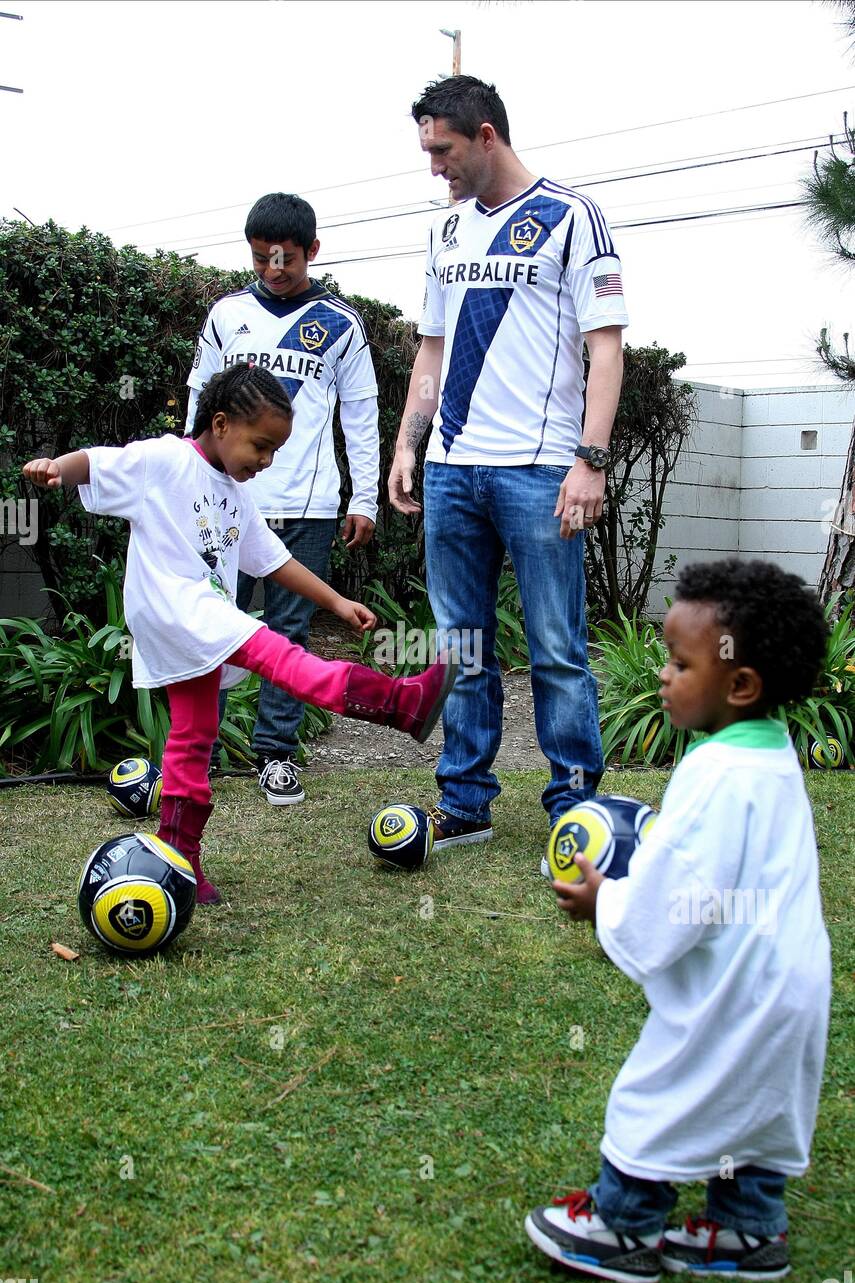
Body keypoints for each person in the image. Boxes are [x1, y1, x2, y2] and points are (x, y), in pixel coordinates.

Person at [23, 365, 457, 906]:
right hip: (179, 609)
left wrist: (338, 602)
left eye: (276, 450)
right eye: (262, 445)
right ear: (221, 423)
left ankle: (179, 864)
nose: (267, 460)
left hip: (192, 624)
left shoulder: (233, 493)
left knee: (193, 737)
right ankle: (400, 704)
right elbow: (98, 461)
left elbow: (274, 562)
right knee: (281, 655)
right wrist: (55, 468)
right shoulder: (166, 458)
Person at [526, 559, 831, 1283]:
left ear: (740, 684)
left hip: (733, 995)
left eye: (677, 662)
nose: (661, 675)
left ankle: (620, 1227)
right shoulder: (767, 752)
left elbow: (676, 895)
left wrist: (608, 902)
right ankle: (748, 1231)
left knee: (663, 1094)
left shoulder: (713, 775)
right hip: (787, 985)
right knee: (754, 1103)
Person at [389, 76, 627, 854]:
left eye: (443, 149)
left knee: (556, 645)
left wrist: (588, 461)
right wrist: (407, 442)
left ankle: (574, 804)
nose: (434, 166)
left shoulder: (570, 216)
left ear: (485, 135)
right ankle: (465, 802)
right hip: (453, 469)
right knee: (461, 645)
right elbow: (431, 344)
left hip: (537, 469)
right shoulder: (446, 230)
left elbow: (605, 347)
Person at [186, 192, 380, 807]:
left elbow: (361, 413)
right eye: (262, 257)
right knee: (213, 626)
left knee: (290, 631)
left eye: (287, 258)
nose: (274, 268)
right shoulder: (225, 314)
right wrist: (187, 476)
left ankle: (276, 754)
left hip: (310, 504)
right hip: (223, 501)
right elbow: (200, 398)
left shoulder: (342, 325)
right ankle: (201, 752)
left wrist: (365, 497)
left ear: (312, 252)